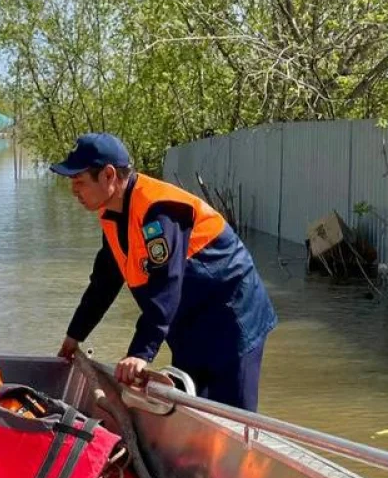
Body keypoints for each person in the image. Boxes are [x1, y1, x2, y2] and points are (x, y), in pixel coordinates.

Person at [52, 133, 277, 411]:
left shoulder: (158, 211)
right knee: (194, 409)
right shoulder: (112, 213)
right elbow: (104, 283)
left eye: (79, 181)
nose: (74, 190)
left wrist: (139, 353)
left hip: (232, 318)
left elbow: (165, 283)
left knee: (234, 418)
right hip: (188, 321)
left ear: (108, 175)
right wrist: (75, 335)